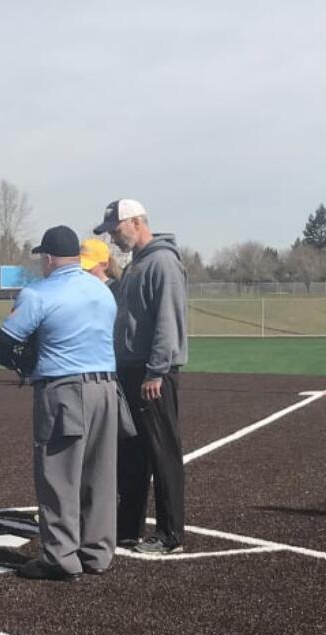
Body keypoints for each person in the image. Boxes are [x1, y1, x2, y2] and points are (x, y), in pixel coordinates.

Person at [0, 225, 120, 581]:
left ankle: (60, 557)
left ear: (48, 258)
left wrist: (23, 363)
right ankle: (97, 552)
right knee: (100, 474)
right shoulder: (101, 290)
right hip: (107, 389)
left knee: (59, 475)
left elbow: (5, 343)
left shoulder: (39, 293)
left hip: (64, 388)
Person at [94, 198, 188, 556]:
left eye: (116, 230)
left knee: (162, 452)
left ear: (135, 222)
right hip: (132, 371)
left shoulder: (162, 261)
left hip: (153, 374)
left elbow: (168, 321)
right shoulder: (138, 263)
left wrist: (157, 371)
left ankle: (170, 535)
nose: (113, 238)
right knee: (132, 451)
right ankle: (128, 527)